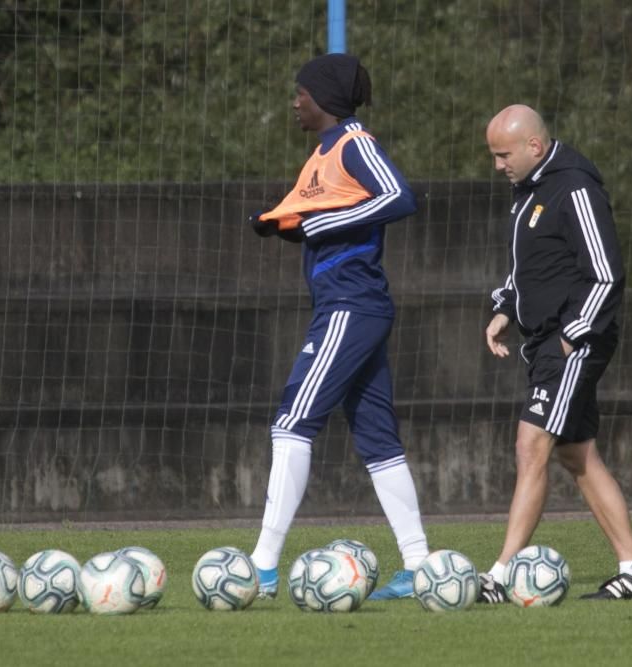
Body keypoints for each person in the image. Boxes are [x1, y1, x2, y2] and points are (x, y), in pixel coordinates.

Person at [246, 53, 429, 601]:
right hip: (348, 304)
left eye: (300, 93)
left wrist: (321, 221)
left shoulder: (354, 143)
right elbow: (323, 213)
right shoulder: (319, 155)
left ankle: (261, 564)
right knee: (377, 440)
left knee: (291, 422)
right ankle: (420, 565)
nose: (294, 102)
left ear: (323, 98)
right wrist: (289, 226)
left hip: (351, 304)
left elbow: (398, 197)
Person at [479, 104, 632, 602]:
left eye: (502, 155)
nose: (497, 165)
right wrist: (505, 310)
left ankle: (499, 575)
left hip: (575, 340)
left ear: (533, 147)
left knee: (531, 445)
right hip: (545, 341)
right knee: (576, 454)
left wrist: (571, 335)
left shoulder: (575, 186)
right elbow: (532, 267)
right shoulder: (528, 192)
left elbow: (606, 273)